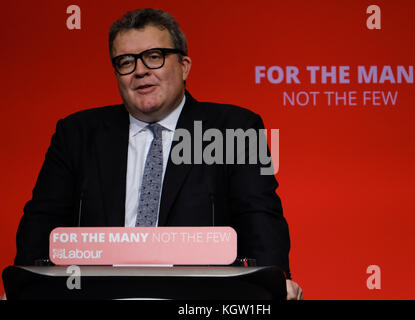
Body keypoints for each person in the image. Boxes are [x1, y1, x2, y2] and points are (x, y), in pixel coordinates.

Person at [14, 8, 302, 300]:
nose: (140, 70)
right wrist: (24, 290)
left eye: (154, 56)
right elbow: (42, 220)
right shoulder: (76, 133)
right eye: (126, 61)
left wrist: (273, 286)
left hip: (200, 300)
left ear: (184, 66)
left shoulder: (235, 128)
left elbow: (260, 218)